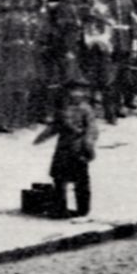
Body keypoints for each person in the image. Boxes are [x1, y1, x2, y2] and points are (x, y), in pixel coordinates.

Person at [35, 82, 98, 219]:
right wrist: (40, 138)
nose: (74, 96)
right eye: (71, 93)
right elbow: (55, 126)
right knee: (59, 178)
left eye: (77, 93)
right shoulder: (63, 109)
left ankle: (82, 210)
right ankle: (60, 208)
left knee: (80, 180)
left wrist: (88, 145)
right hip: (63, 148)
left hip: (78, 148)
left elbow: (91, 129)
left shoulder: (86, 110)